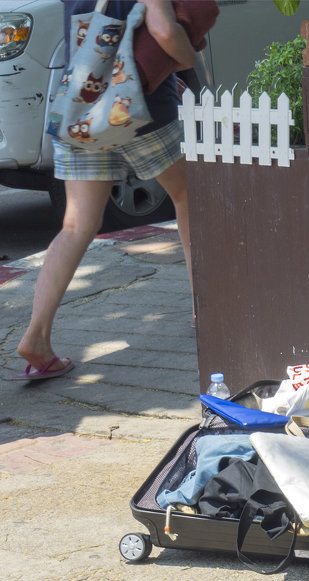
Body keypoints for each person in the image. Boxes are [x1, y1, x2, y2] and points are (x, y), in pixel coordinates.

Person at [10, 0, 197, 382]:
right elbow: (163, 30)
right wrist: (186, 58)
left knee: (76, 225)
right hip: (138, 106)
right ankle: (204, 309)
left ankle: (37, 337)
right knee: (189, 197)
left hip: (83, 108)